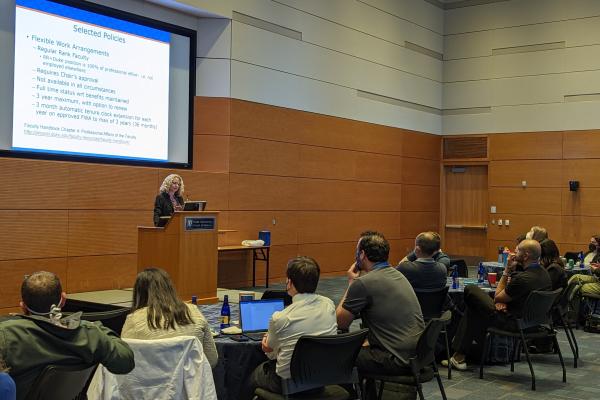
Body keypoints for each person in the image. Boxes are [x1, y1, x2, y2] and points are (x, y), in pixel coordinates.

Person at [0, 272, 134, 400]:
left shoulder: (6, 334)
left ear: (23, 306)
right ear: (63, 300)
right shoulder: (91, 334)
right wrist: (98, 330)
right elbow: (125, 362)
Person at [337, 231, 424, 399]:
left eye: (357, 250)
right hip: (416, 353)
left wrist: (351, 284)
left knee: (339, 354)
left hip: (395, 358)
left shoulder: (363, 283)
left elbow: (340, 322)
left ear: (362, 254)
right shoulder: (398, 274)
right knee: (359, 345)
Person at [448, 240, 552, 370]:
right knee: (475, 306)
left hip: (513, 323)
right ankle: (459, 356)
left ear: (525, 256)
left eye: (518, 250)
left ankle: (458, 354)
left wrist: (507, 270)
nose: (514, 253)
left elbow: (497, 296)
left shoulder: (523, 279)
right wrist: (503, 301)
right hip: (533, 323)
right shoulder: (544, 274)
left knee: (471, 290)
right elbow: (515, 297)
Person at [246, 256, 337, 398]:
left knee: (250, 376)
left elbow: (271, 353)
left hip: (287, 384)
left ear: (289, 282)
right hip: (320, 380)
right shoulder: (329, 304)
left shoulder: (281, 317)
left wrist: (267, 347)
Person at [121, 268, 218, 368]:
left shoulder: (133, 319)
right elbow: (212, 359)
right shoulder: (194, 311)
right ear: (170, 287)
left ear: (138, 293)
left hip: (149, 381)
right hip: (190, 381)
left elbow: (122, 360)